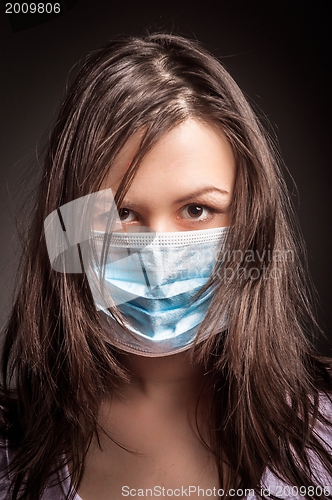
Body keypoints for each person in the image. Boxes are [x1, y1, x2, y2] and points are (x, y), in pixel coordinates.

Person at [1, 33, 332, 500]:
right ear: (66, 231)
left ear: (251, 222)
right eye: (121, 214)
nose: (158, 259)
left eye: (197, 210)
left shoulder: (325, 433)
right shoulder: (10, 453)